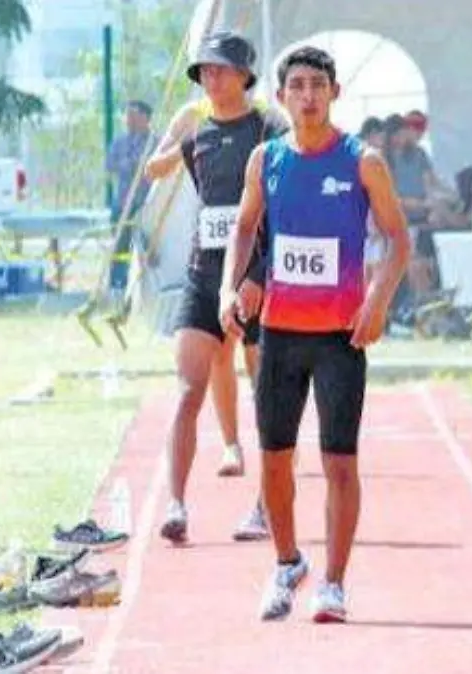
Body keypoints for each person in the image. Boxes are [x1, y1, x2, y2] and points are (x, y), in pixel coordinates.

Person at [219, 45, 409, 623]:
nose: (307, 95)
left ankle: (334, 583)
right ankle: (286, 562)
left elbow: (399, 240)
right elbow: (246, 226)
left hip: (338, 340)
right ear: (281, 97)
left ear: (334, 93)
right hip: (278, 334)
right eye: (296, 85)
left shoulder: (362, 161)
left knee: (340, 464)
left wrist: (376, 303)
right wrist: (231, 288)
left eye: (317, 84)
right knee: (274, 461)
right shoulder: (265, 159)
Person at [142, 30, 286, 543]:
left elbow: (283, 206)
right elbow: (152, 169)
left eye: (220, 68)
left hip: (258, 280)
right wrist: (177, 127)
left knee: (269, 396)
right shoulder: (195, 132)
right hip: (204, 278)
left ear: (244, 74)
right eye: (204, 69)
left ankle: (265, 508)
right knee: (187, 391)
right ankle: (176, 505)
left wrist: (258, 275)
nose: (210, 77)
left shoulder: (270, 127)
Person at [106, 100, 157, 292]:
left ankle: (145, 288)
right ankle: (117, 287)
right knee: (120, 246)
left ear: (145, 118)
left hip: (146, 204)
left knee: (148, 247)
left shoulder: (155, 141)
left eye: (133, 115)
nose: (129, 120)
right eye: (127, 116)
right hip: (123, 204)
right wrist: (128, 164)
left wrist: (141, 164)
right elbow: (110, 164)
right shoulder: (120, 142)